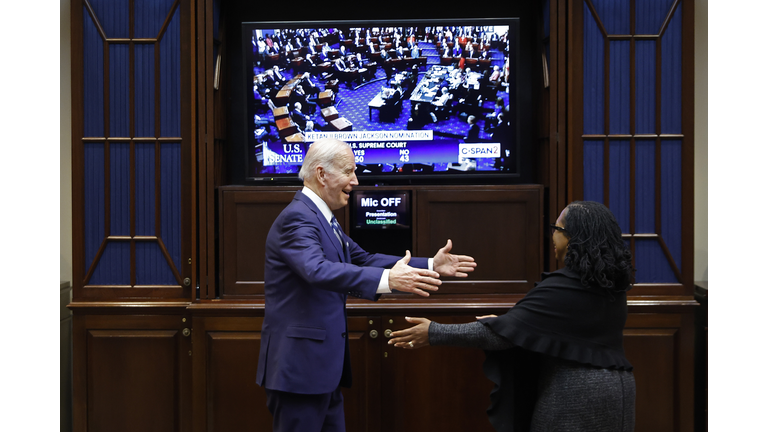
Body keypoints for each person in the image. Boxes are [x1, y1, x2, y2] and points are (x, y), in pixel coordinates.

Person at [256, 138, 477, 432]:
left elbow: (363, 259)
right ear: (322, 175)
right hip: (300, 371)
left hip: (322, 372)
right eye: (349, 171)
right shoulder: (298, 218)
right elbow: (317, 270)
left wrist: (429, 265)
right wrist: (389, 280)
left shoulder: (322, 218)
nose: (355, 181)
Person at [389, 200, 637, 432]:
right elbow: (552, 327)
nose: (553, 235)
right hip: (619, 394)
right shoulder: (611, 286)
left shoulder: (563, 287)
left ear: (573, 238)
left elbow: (500, 338)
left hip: (576, 398)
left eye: (557, 228)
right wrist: (508, 323)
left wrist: (433, 332)